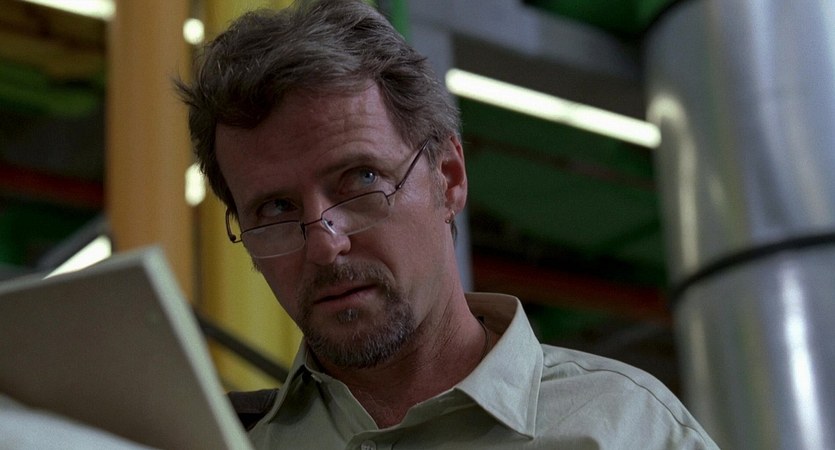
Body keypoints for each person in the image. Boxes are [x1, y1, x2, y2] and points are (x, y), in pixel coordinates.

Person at [177, 0, 718, 447]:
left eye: (361, 179)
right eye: (275, 209)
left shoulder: (629, 429)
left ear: (449, 178)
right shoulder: (223, 441)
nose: (323, 243)